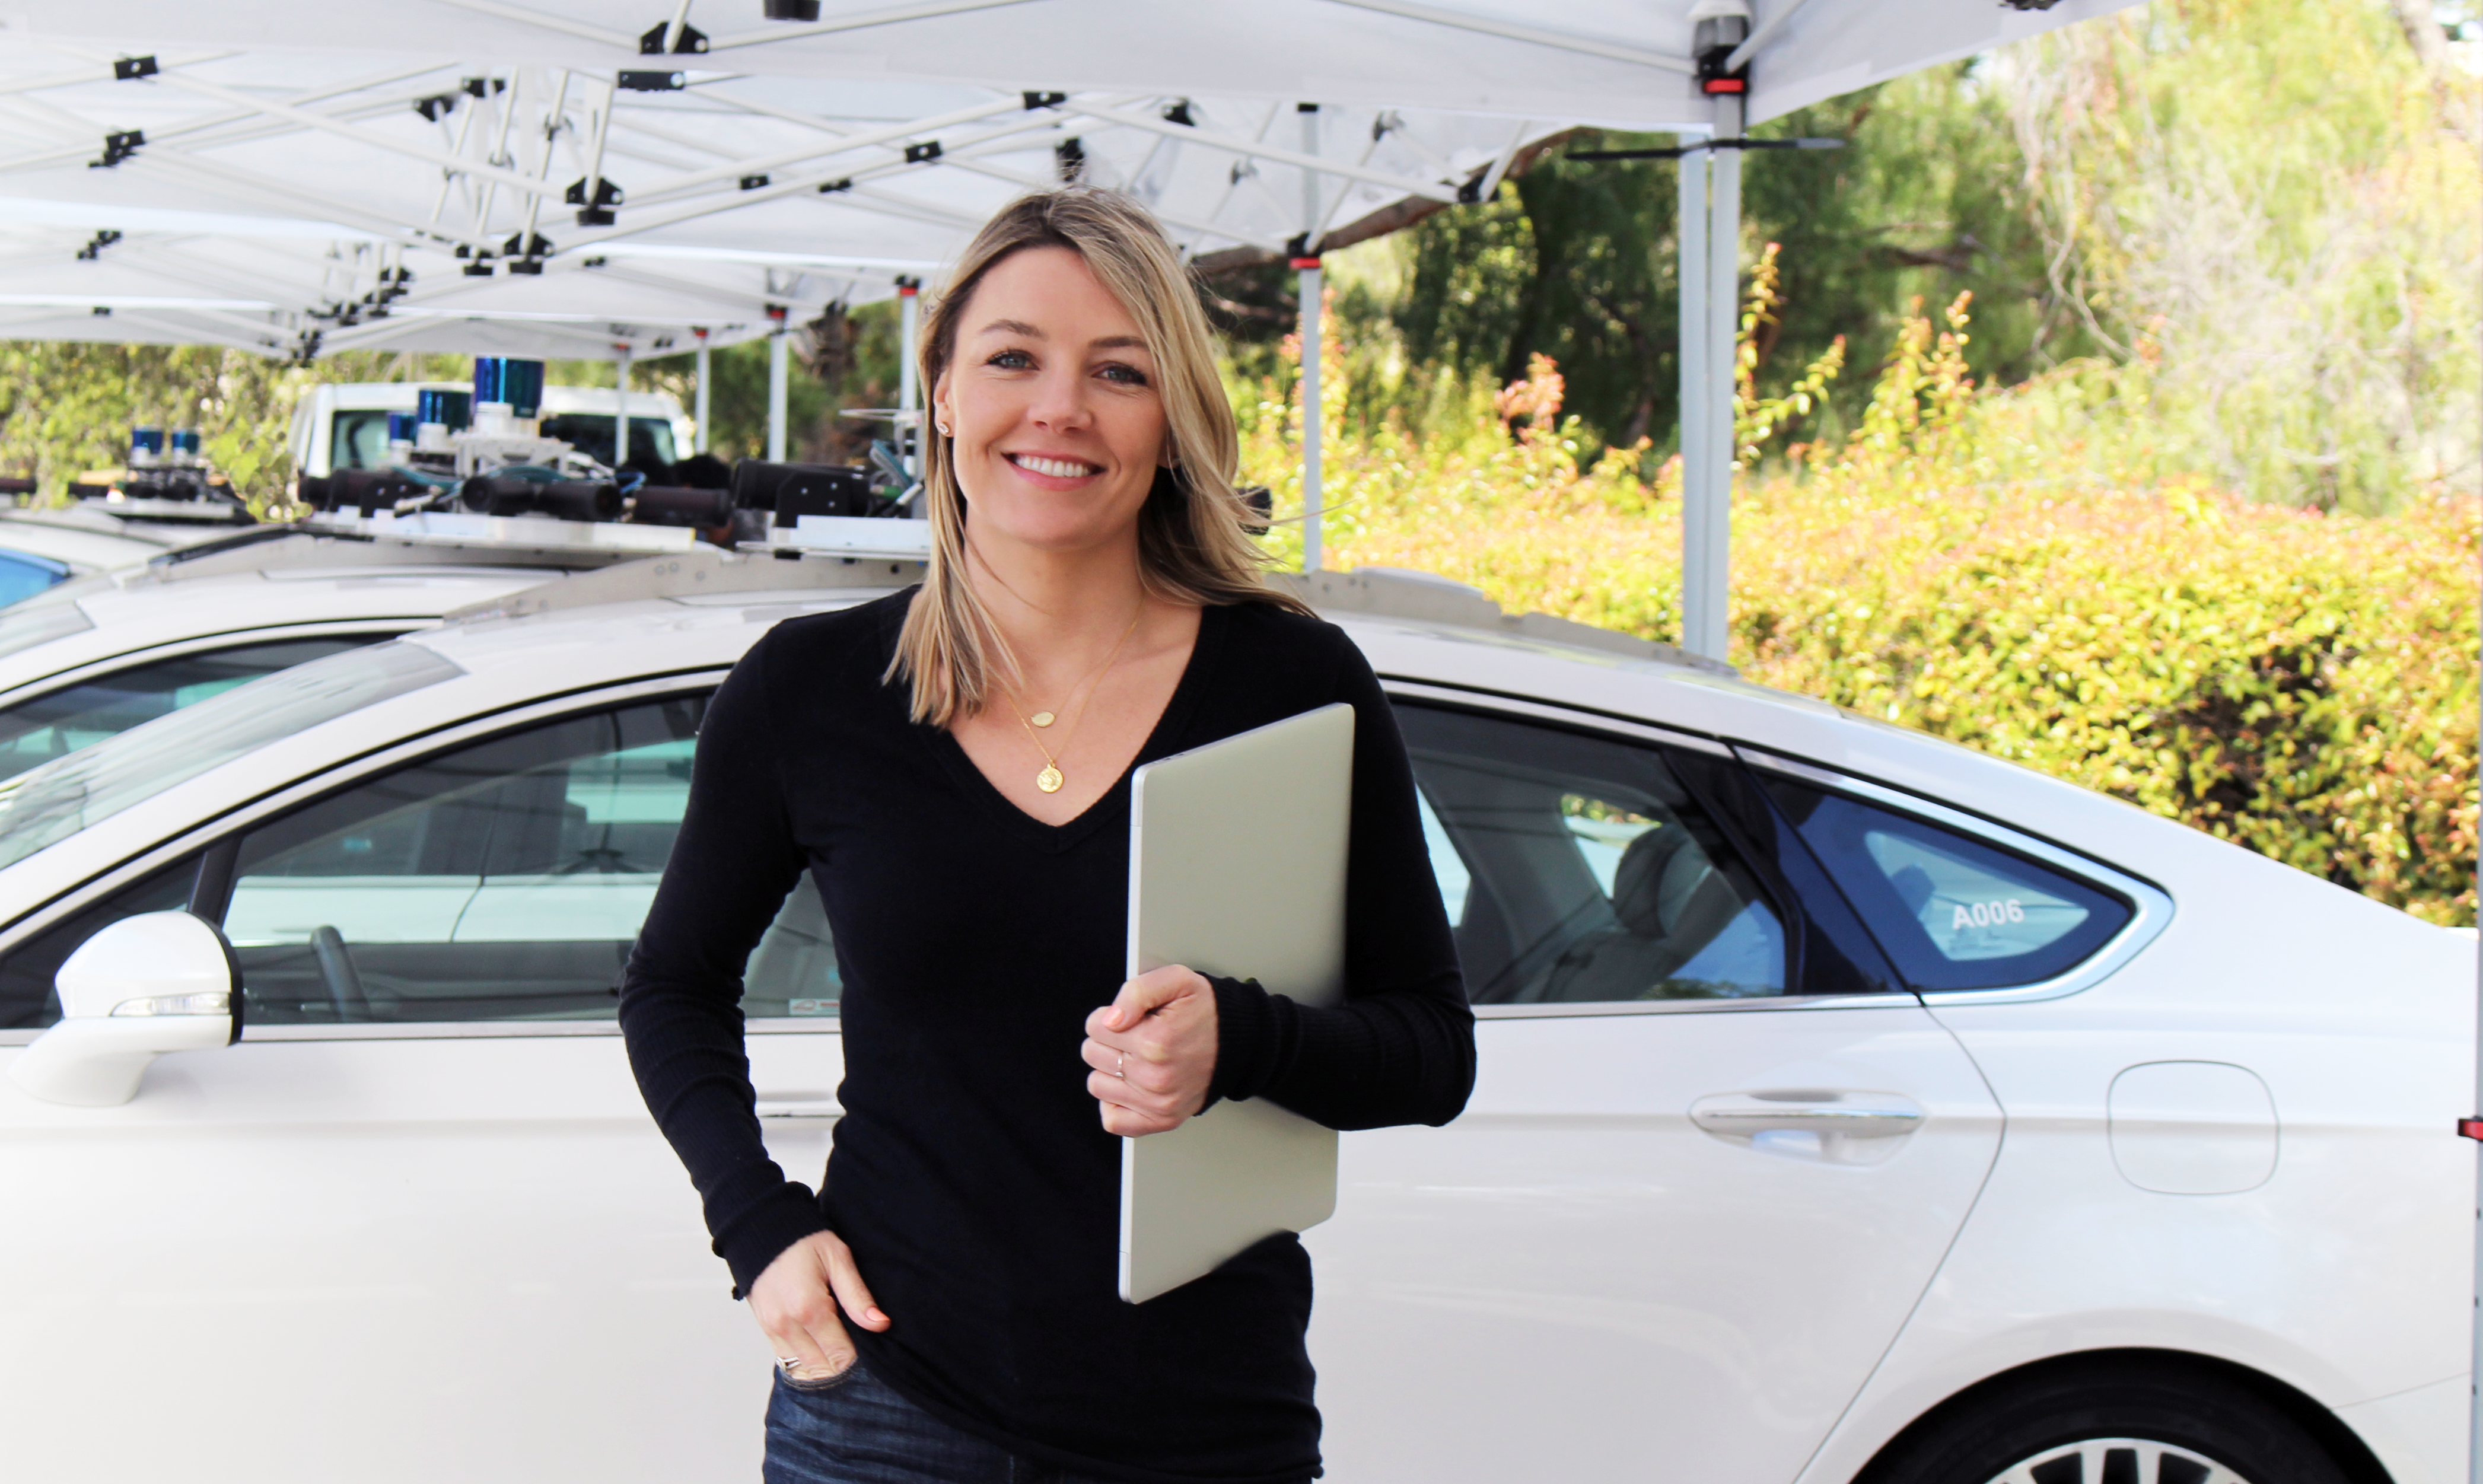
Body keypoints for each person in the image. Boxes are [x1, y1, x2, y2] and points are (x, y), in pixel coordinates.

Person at [619, 187, 1474, 1484]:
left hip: (1201, 1424)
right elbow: (670, 987)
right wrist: (757, 1229)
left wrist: (1242, 1037)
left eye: (1117, 371)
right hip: (883, 1408)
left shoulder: (1292, 683)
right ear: (945, 396)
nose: (1059, 408)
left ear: (1173, 421)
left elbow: (1430, 1053)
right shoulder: (812, 690)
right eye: (1012, 357)